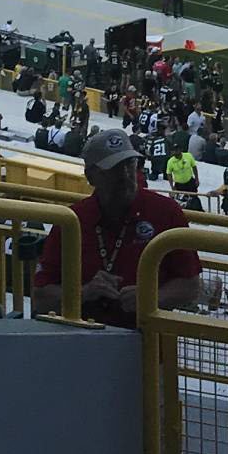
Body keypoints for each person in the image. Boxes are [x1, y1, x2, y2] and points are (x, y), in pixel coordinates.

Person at [31, 127, 203, 327]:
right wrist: (84, 293)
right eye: (113, 169)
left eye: (130, 165)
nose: (125, 175)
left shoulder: (166, 211)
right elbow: (41, 297)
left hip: (147, 345)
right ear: (91, 176)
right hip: (82, 339)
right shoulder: (72, 220)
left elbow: (190, 285)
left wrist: (151, 298)